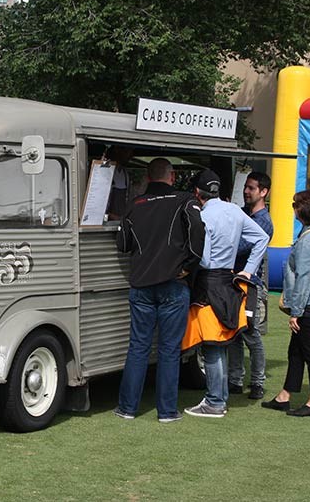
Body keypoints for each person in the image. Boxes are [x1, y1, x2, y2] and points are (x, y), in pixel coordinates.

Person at [114, 158, 205, 423]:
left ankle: (127, 408)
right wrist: (189, 266)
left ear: (147, 177)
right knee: (168, 350)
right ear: (172, 175)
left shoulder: (135, 205)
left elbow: (122, 244)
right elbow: (199, 235)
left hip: (140, 285)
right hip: (173, 285)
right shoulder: (185, 201)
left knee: (138, 348)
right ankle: (166, 412)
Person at [184, 169, 269, 419]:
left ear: (197, 193)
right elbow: (262, 238)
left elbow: (206, 258)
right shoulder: (234, 210)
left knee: (212, 346)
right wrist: (248, 271)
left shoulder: (203, 215)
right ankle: (217, 398)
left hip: (209, 283)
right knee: (221, 343)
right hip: (230, 282)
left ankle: (215, 401)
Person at [262, 188, 310, 417]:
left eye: (295, 205)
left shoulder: (309, 239)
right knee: (296, 351)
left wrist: (297, 312)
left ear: (302, 210)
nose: (293, 208)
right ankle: (285, 395)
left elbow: (305, 277)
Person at [228, 171, 274, 400]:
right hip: (236, 281)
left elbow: (241, 247)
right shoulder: (244, 214)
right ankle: (235, 380)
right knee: (235, 333)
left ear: (264, 192)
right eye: (245, 187)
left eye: (252, 188)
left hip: (251, 284)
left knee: (250, 333)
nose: (246, 191)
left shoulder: (263, 221)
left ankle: (257, 382)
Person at [105, 146, 134, 220]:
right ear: (117, 150)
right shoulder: (104, 171)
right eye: (127, 152)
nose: (130, 155)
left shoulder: (124, 173)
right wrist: (109, 215)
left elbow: (127, 199)